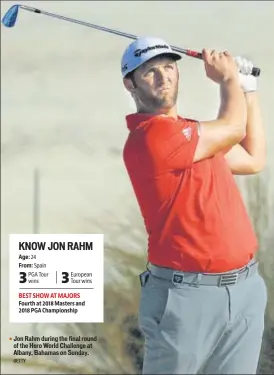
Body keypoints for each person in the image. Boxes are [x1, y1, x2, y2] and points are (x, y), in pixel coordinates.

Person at [121, 36, 267, 374]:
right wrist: (228, 78)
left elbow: (252, 158)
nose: (164, 78)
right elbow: (232, 127)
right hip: (184, 298)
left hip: (244, 291)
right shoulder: (150, 137)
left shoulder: (192, 135)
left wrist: (248, 89)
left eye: (169, 67)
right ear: (130, 84)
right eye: (149, 73)